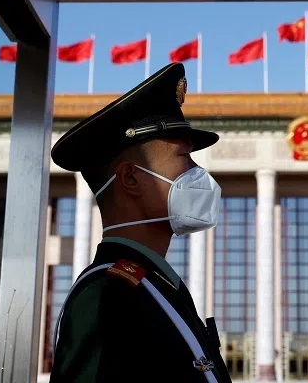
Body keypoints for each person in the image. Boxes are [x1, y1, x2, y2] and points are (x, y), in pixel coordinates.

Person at [49, 62, 232, 383]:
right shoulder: (106, 296)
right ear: (132, 177)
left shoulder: (157, 287)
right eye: (183, 158)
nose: (198, 173)